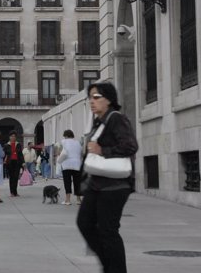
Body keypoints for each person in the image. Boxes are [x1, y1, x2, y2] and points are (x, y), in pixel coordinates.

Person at [77, 82, 138, 273]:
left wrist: (103, 150)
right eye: (90, 98)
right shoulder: (99, 122)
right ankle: (108, 265)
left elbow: (130, 146)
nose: (92, 102)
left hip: (115, 185)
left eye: (96, 97)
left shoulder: (116, 119)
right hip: (97, 183)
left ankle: (115, 269)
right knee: (85, 223)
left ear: (109, 100)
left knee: (108, 231)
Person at [58, 130, 83, 205]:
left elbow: (59, 152)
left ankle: (68, 200)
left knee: (67, 182)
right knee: (77, 182)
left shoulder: (63, 142)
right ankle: (78, 200)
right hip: (77, 164)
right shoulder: (78, 142)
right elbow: (81, 153)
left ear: (65, 135)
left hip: (66, 164)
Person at [3, 131, 24, 197]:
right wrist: (4, 161)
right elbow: (4, 154)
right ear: (9, 137)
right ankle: (11, 192)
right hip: (10, 163)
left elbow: (20, 154)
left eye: (14, 136)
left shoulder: (18, 144)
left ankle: (15, 192)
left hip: (17, 163)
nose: (13, 137)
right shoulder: (6, 145)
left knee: (16, 178)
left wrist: (23, 162)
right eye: (12, 136)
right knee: (11, 178)